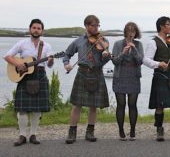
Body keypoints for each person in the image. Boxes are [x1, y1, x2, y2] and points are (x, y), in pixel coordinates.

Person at [4, 19, 54, 146]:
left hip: (40, 76)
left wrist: (50, 61)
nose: (36, 30)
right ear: (30, 29)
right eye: (34, 28)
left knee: (37, 109)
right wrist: (19, 65)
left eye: (38, 28)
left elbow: (50, 65)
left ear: (42, 31)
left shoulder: (47, 46)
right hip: (25, 77)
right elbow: (7, 56)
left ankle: (33, 134)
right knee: (22, 109)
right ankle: (22, 135)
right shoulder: (22, 43)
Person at [63, 15, 110, 144]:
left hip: (96, 73)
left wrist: (106, 56)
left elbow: (104, 60)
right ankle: (72, 133)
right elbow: (67, 54)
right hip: (82, 73)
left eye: (97, 25)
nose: (96, 28)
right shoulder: (78, 41)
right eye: (93, 25)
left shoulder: (103, 41)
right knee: (76, 106)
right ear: (86, 26)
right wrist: (66, 63)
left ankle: (90, 132)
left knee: (93, 106)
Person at [112, 22, 144, 141]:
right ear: (125, 32)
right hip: (120, 76)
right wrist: (123, 53)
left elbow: (140, 61)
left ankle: (133, 130)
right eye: (129, 31)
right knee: (121, 105)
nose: (131, 33)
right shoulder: (117, 44)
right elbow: (115, 61)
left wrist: (134, 50)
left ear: (136, 33)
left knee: (132, 104)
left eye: (133, 31)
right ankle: (121, 130)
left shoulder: (138, 44)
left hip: (133, 77)